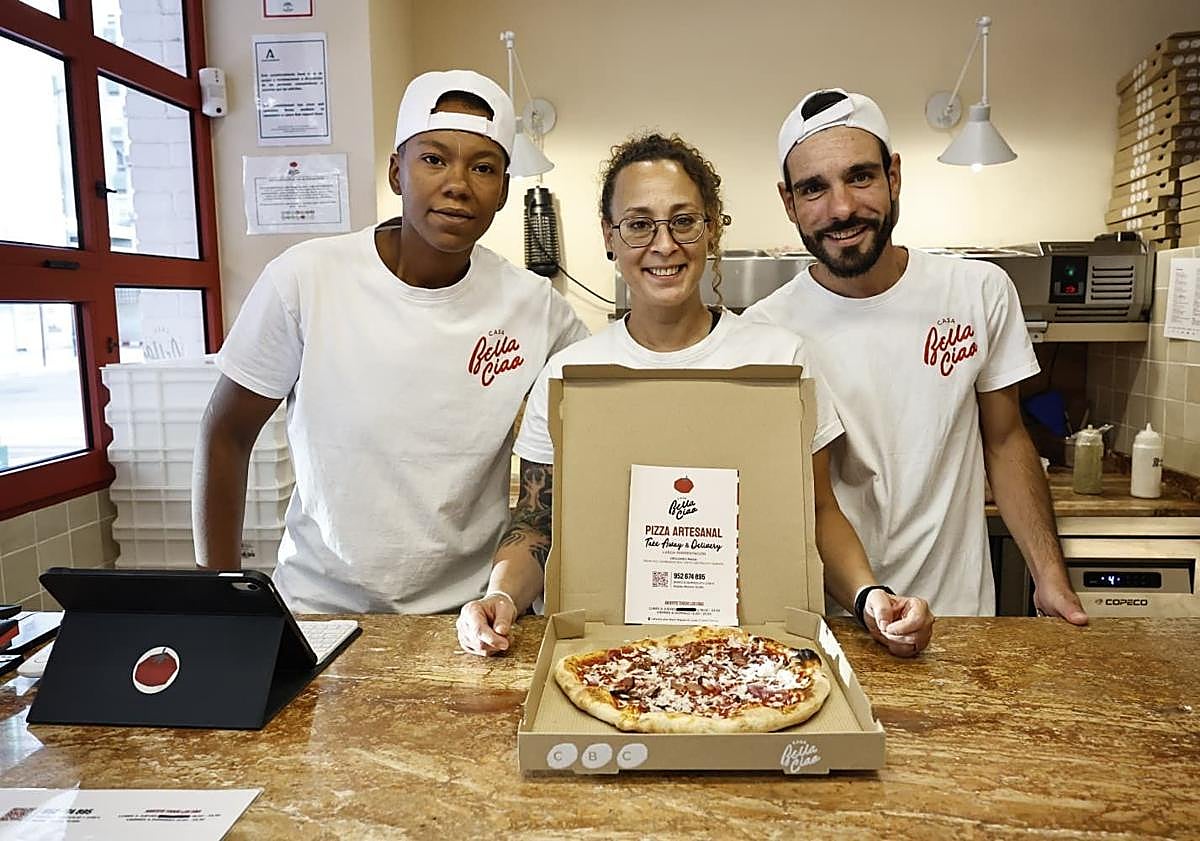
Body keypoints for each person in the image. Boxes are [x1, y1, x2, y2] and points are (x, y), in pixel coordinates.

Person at [456, 133, 935, 657]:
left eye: (683, 221)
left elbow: (817, 511)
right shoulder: (571, 375)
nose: (664, 245)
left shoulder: (780, 361)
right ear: (609, 237)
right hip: (608, 654)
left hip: (754, 654)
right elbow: (535, 524)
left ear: (710, 230)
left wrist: (869, 597)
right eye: (639, 225)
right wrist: (499, 594)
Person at [192, 70, 589, 613]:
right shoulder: (307, 279)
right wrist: (217, 597)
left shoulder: (536, 308)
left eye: (483, 167)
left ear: (501, 193)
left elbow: (604, 412)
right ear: (397, 172)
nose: (458, 183)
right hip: (320, 607)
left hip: (472, 616)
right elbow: (226, 434)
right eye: (434, 159)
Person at [743, 88, 1086, 622]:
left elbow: (1005, 437)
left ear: (893, 176)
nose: (842, 208)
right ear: (789, 202)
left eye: (860, 176)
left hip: (960, 618)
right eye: (814, 188)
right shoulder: (766, 332)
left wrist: (1049, 576)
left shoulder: (976, 291)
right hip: (834, 624)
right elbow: (796, 498)